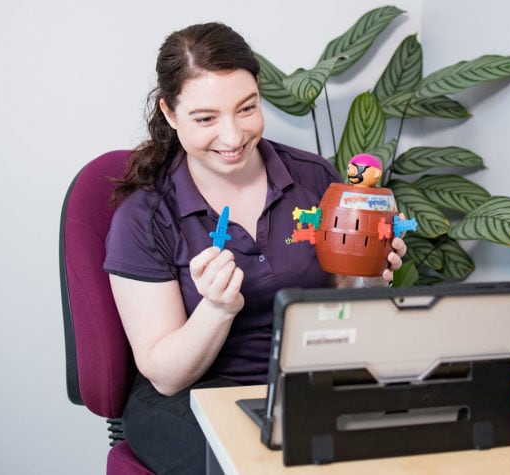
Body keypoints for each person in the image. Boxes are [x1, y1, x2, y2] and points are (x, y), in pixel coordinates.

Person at [103, 22, 407, 474]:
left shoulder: (315, 179)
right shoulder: (145, 218)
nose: (232, 137)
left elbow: (347, 300)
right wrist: (217, 310)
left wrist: (365, 276)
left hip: (309, 377)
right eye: (206, 119)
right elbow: (165, 375)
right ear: (170, 114)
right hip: (195, 394)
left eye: (246, 109)